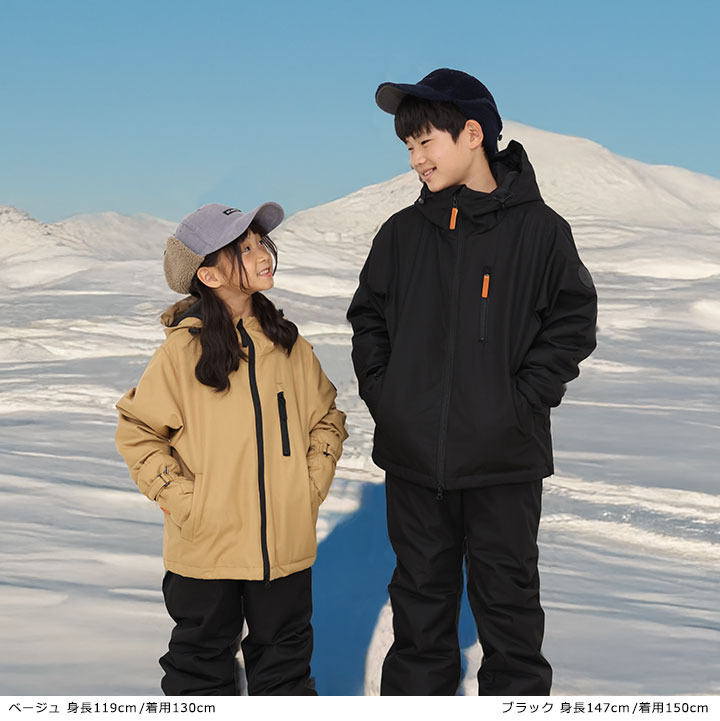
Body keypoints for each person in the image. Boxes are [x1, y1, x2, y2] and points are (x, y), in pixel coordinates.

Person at [347, 68, 597, 696]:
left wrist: (521, 402)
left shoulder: (541, 231)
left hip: (504, 461)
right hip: (414, 461)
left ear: (473, 134)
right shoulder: (401, 234)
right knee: (419, 618)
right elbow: (368, 319)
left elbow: (573, 322)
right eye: (409, 146)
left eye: (425, 142)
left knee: (510, 620)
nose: (415, 159)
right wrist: (391, 398)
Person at [115, 202, 347, 696]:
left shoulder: (288, 345)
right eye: (243, 248)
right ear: (209, 274)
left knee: (285, 674)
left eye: (261, 242)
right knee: (199, 672)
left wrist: (307, 487)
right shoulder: (182, 352)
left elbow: (327, 418)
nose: (262, 254)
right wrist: (188, 503)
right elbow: (138, 431)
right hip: (207, 548)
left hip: (284, 548)